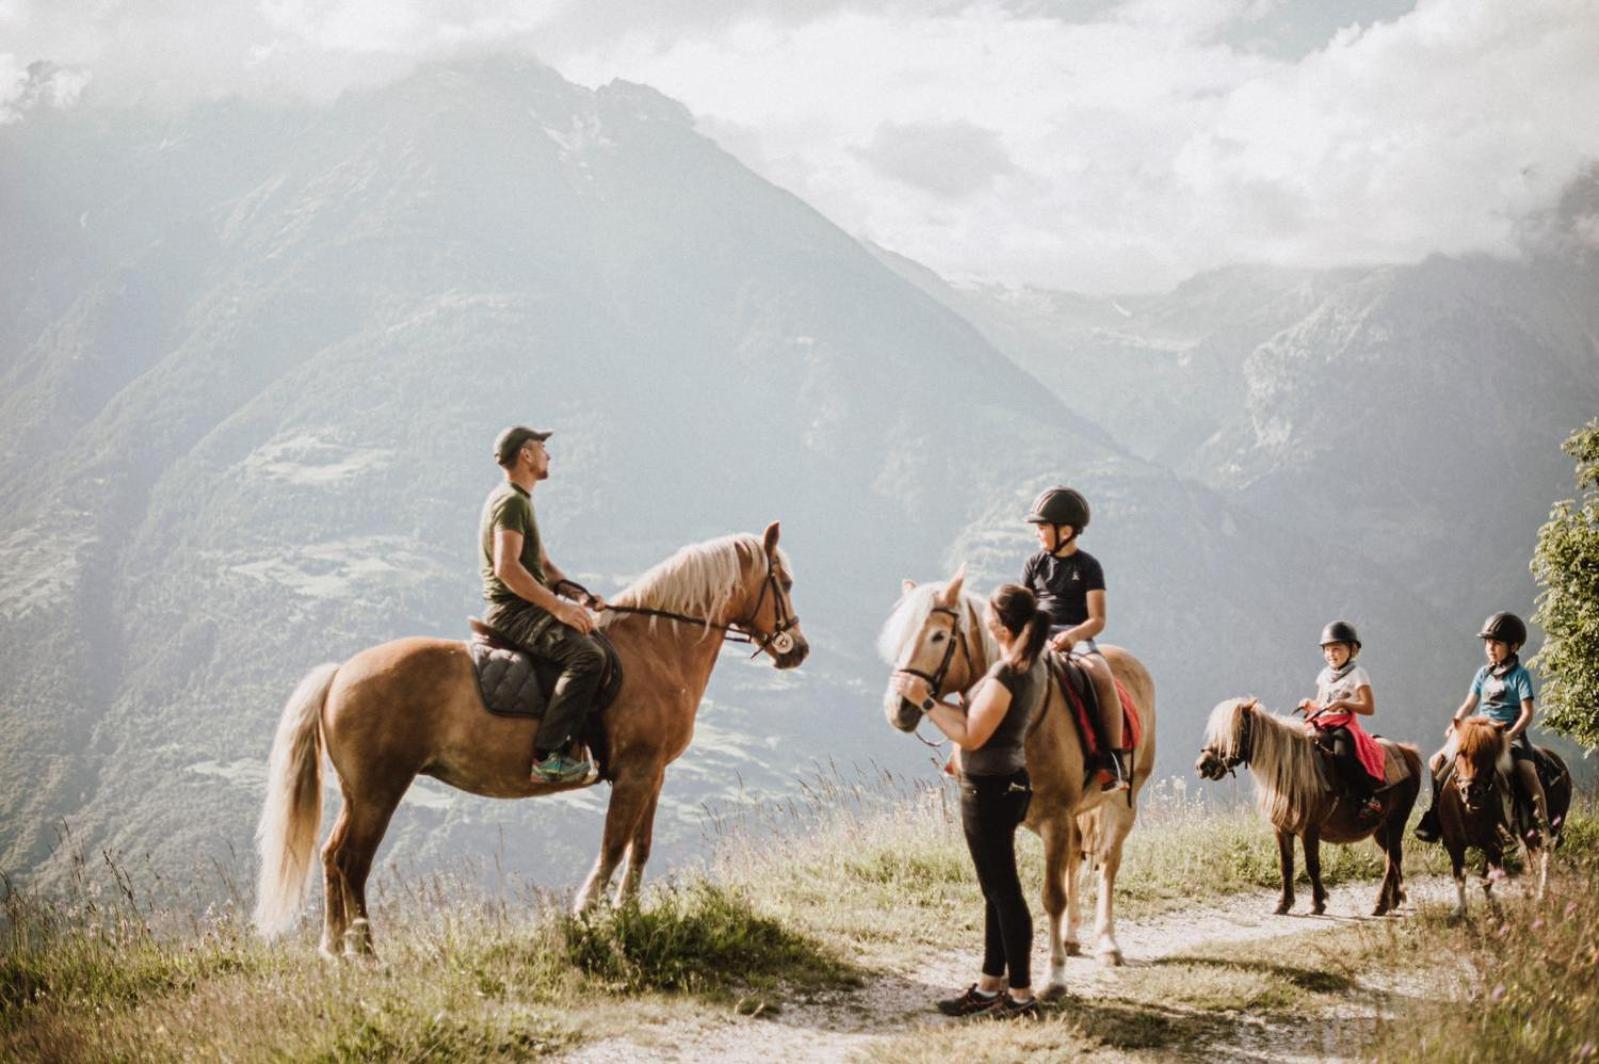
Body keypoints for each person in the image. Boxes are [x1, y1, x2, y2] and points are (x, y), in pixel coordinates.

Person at [891, 584, 1048, 1020]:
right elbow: (971, 721)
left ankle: (1019, 995)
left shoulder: (1005, 675)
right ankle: (989, 984)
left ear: (997, 624)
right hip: (1006, 784)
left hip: (989, 791)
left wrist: (923, 700)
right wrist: (939, 705)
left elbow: (971, 734)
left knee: (1005, 893)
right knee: (995, 891)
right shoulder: (1027, 666)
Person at [479, 425, 608, 785]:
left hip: (525, 606)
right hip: (513, 611)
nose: (549, 455)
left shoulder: (519, 499)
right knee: (588, 658)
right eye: (543, 448)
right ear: (526, 455)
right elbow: (507, 567)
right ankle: (547, 757)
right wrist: (558, 608)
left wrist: (578, 595)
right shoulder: (511, 502)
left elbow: (544, 567)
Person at [1022, 486, 1127, 791]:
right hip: (1039, 637)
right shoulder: (1034, 564)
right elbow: (1026, 609)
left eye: (1043, 528)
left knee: (1101, 676)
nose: (1038, 534)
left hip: (1076, 636)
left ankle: (1112, 760)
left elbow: (1097, 620)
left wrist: (1071, 636)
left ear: (1066, 530)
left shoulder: (1089, 567)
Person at [1414, 612, 1549, 845]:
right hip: (1478, 734)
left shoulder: (1520, 675)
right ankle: (1435, 815)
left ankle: (1542, 825)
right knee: (1436, 762)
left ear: (1514, 646)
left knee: (1527, 772)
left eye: (1497, 643)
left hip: (1508, 733)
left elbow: (1528, 713)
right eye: (1488, 642)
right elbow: (1469, 704)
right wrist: (1454, 723)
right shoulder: (1483, 673)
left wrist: (1509, 736)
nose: (1490, 647)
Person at [1296, 621, 1385, 826]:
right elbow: (1322, 704)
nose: (1331, 654)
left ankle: (1369, 799)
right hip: (1322, 722)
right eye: (1327, 649)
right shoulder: (1323, 675)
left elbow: (1369, 707)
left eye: (1337, 648)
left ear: (1352, 649)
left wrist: (1344, 703)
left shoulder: (1358, 674)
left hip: (1344, 725)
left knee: (1343, 755)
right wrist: (1310, 704)